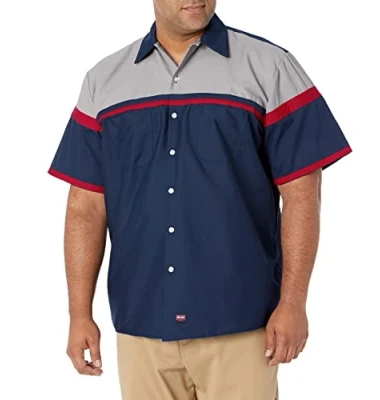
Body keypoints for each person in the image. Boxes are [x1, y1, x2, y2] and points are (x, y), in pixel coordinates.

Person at [48, 0, 352, 399]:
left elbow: (301, 195)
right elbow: (85, 208)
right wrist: (79, 314)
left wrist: (293, 304)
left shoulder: (270, 67)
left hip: (242, 324)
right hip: (141, 325)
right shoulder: (103, 81)